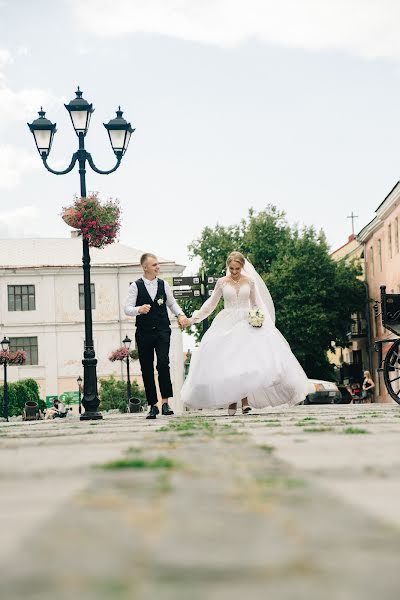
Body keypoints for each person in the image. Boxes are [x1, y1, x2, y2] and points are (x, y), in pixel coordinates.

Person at [181, 251, 314, 415]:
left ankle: (244, 402)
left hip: (246, 323)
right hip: (227, 323)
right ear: (228, 267)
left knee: (244, 364)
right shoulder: (222, 283)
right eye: (231, 268)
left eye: (237, 268)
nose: (234, 272)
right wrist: (193, 318)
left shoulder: (249, 282)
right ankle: (231, 401)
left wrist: (260, 319)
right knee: (229, 364)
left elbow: (256, 304)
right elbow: (211, 304)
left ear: (242, 267)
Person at [124, 253, 189, 419]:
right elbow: (127, 308)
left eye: (158, 264)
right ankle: (153, 405)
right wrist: (139, 309)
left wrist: (180, 315)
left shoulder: (163, 284)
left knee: (163, 364)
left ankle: (165, 403)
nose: (157, 267)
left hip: (162, 329)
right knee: (146, 367)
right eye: (154, 265)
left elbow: (171, 303)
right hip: (144, 332)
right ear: (145, 267)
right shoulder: (136, 286)